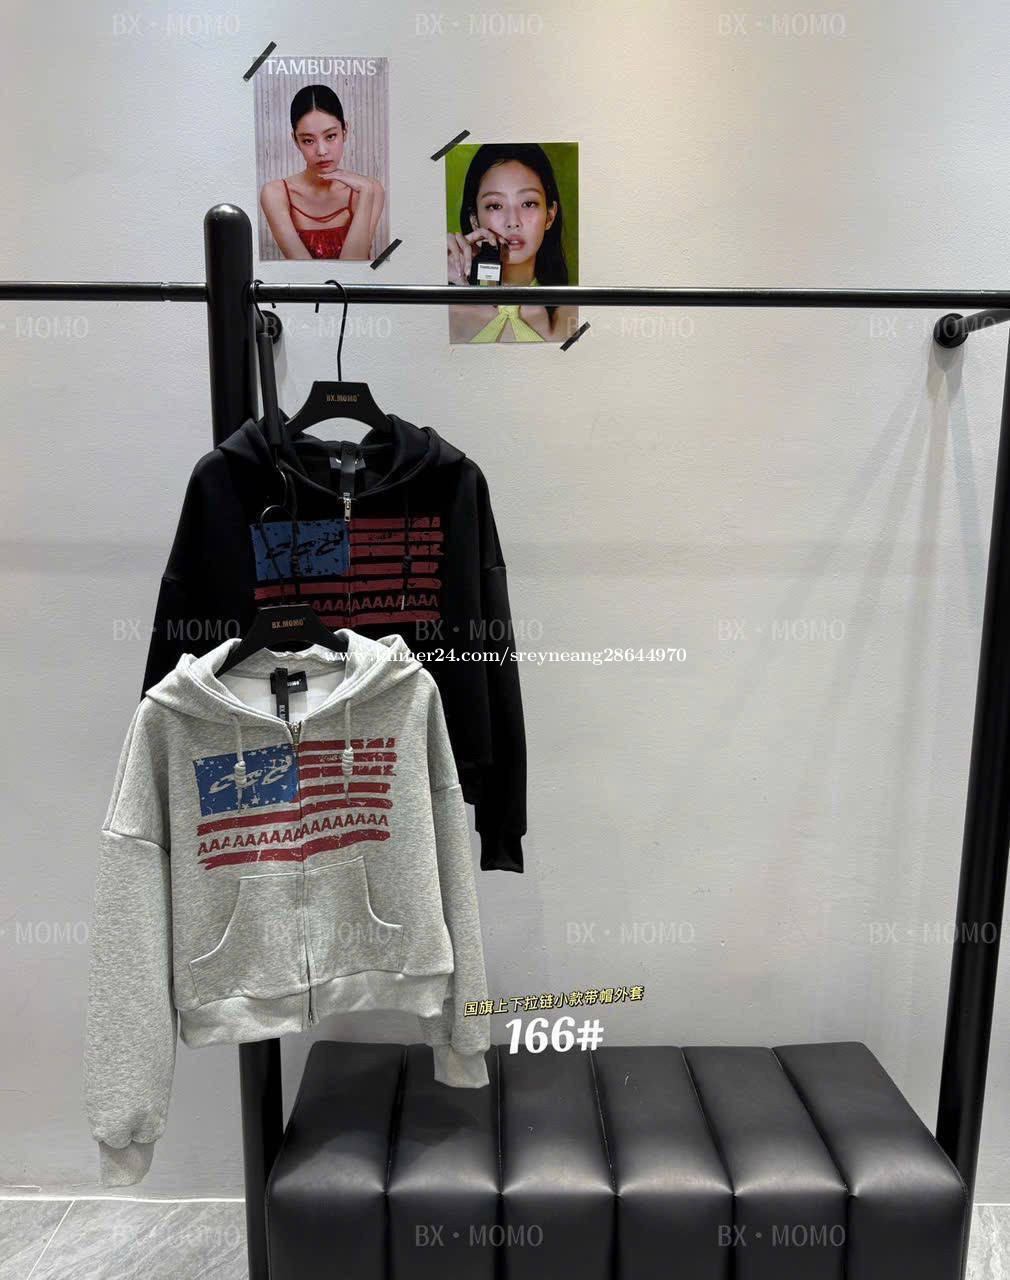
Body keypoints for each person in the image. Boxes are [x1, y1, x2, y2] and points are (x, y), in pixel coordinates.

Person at [447, 143, 577, 343]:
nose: (513, 221)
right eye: (495, 206)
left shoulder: (576, 316)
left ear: (550, 216)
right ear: (474, 221)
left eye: (528, 203)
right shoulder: (443, 314)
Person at [260, 84, 385, 260]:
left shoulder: (370, 189)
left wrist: (366, 193)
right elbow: (305, 274)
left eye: (330, 136)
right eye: (308, 140)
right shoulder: (275, 193)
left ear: (345, 130)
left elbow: (354, 271)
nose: (321, 151)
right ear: (295, 140)